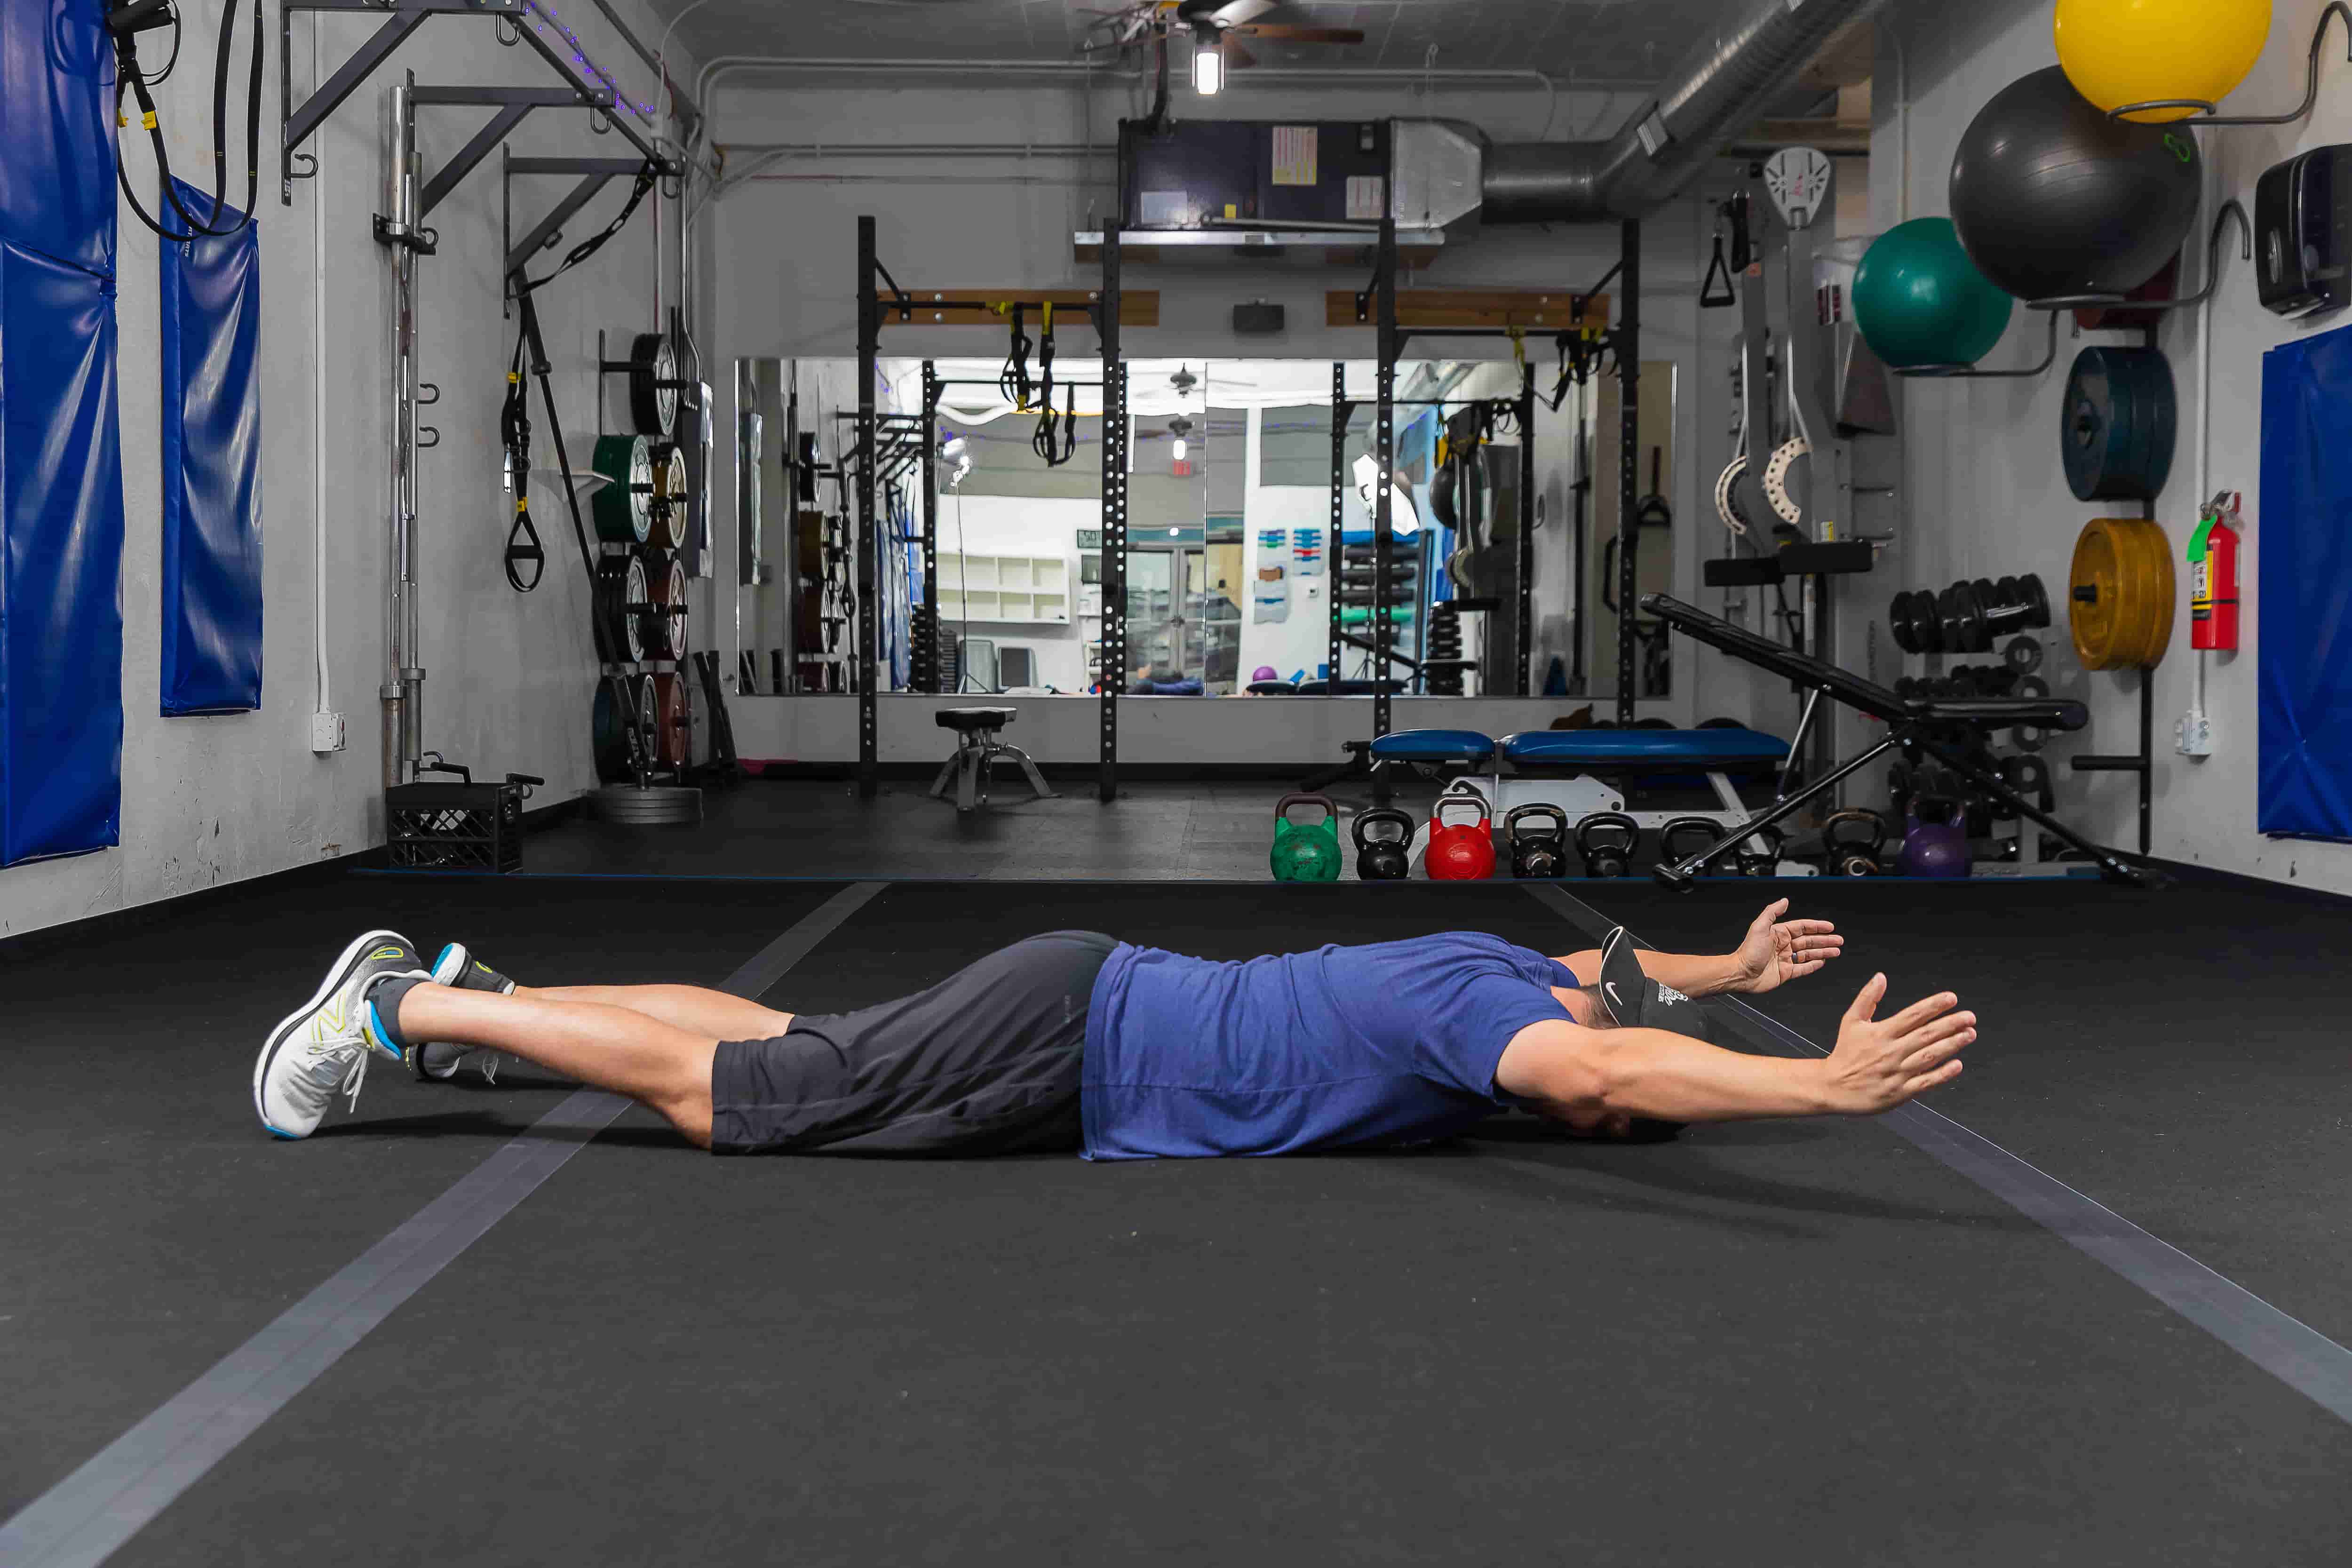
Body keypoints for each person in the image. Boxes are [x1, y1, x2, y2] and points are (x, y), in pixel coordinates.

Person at [252, 901, 1974, 1156]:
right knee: (739, 1100)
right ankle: (395, 1009)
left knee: (790, 1033)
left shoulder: (1502, 955)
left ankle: (493, 1005)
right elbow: (1599, 1053)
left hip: (1076, 991)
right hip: (1069, 1052)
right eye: (1603, 1117)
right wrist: (1812, 1087)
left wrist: (1729, 973)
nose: (1582, 1114)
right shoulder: (1486, 1017)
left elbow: (1616, 984)